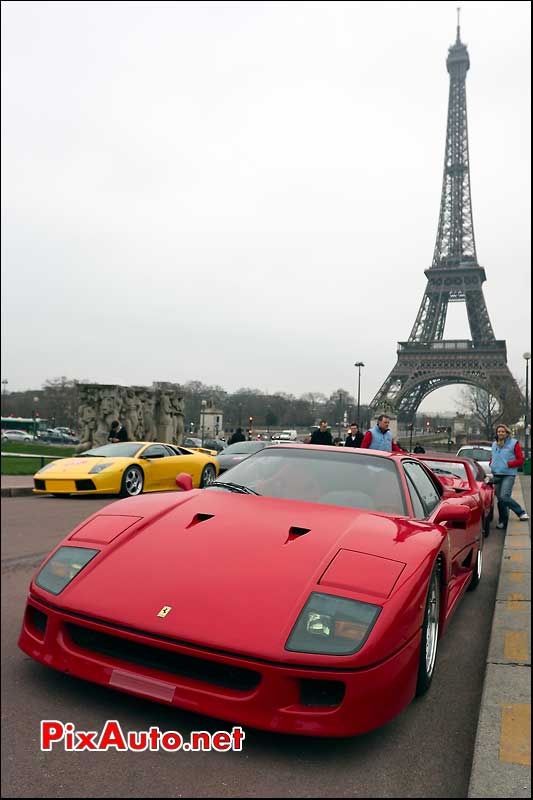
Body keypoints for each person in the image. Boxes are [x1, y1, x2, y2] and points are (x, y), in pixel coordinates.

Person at [490, 424, 529, 529]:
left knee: (504, 496)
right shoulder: (494, 444)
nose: (500, 433)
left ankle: (520, 512)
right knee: (500, 500)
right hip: (497, 474)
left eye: (502, 431)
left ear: (507, 433)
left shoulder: (513, 443)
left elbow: (521, 459)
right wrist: (491, 464)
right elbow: (493, 457)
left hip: (508, 474)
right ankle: (503, 521)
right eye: (498, 432)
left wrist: (509, 464)